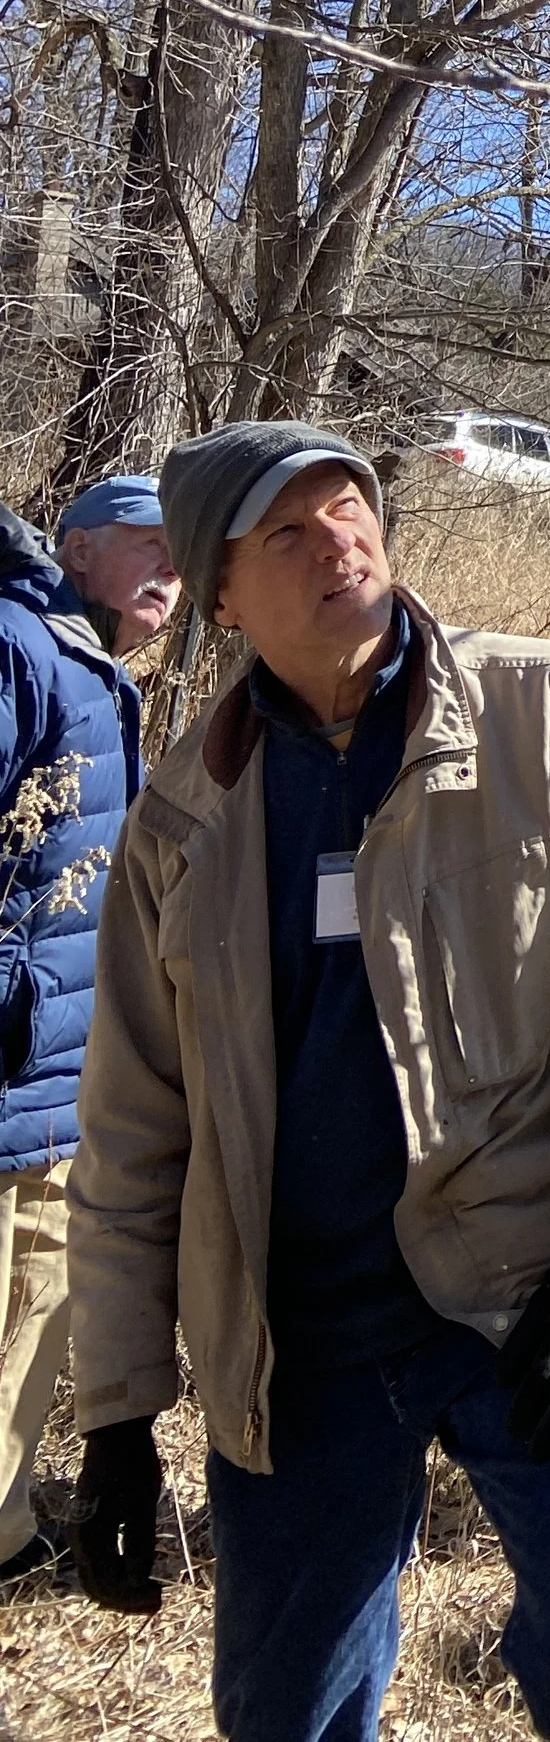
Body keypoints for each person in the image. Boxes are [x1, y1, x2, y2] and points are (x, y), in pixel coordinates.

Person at [65, 420, 550, 1742]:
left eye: (350, 510)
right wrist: (123, 1409)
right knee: (285, 1703)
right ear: (225, 591)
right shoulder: (185, 811)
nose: (341, 543)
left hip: (531, 1287)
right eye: (289, 532)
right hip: (298, 1329)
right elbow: (133, 1129)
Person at [0, 494, 143, 1586]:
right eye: (149, 547)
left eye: (184, 563)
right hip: (19, 1063)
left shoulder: (78, 659)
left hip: (51, 1063)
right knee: (21, 1292)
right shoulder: (20, 645)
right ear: (76, 548)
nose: (170, 577)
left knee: (37, 1293)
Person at [52, 476, 180, 662]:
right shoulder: (14, 649)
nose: (174, 571)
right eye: (154, 544)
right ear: (80, 552)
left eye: (181, 557)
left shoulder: (113, 683)